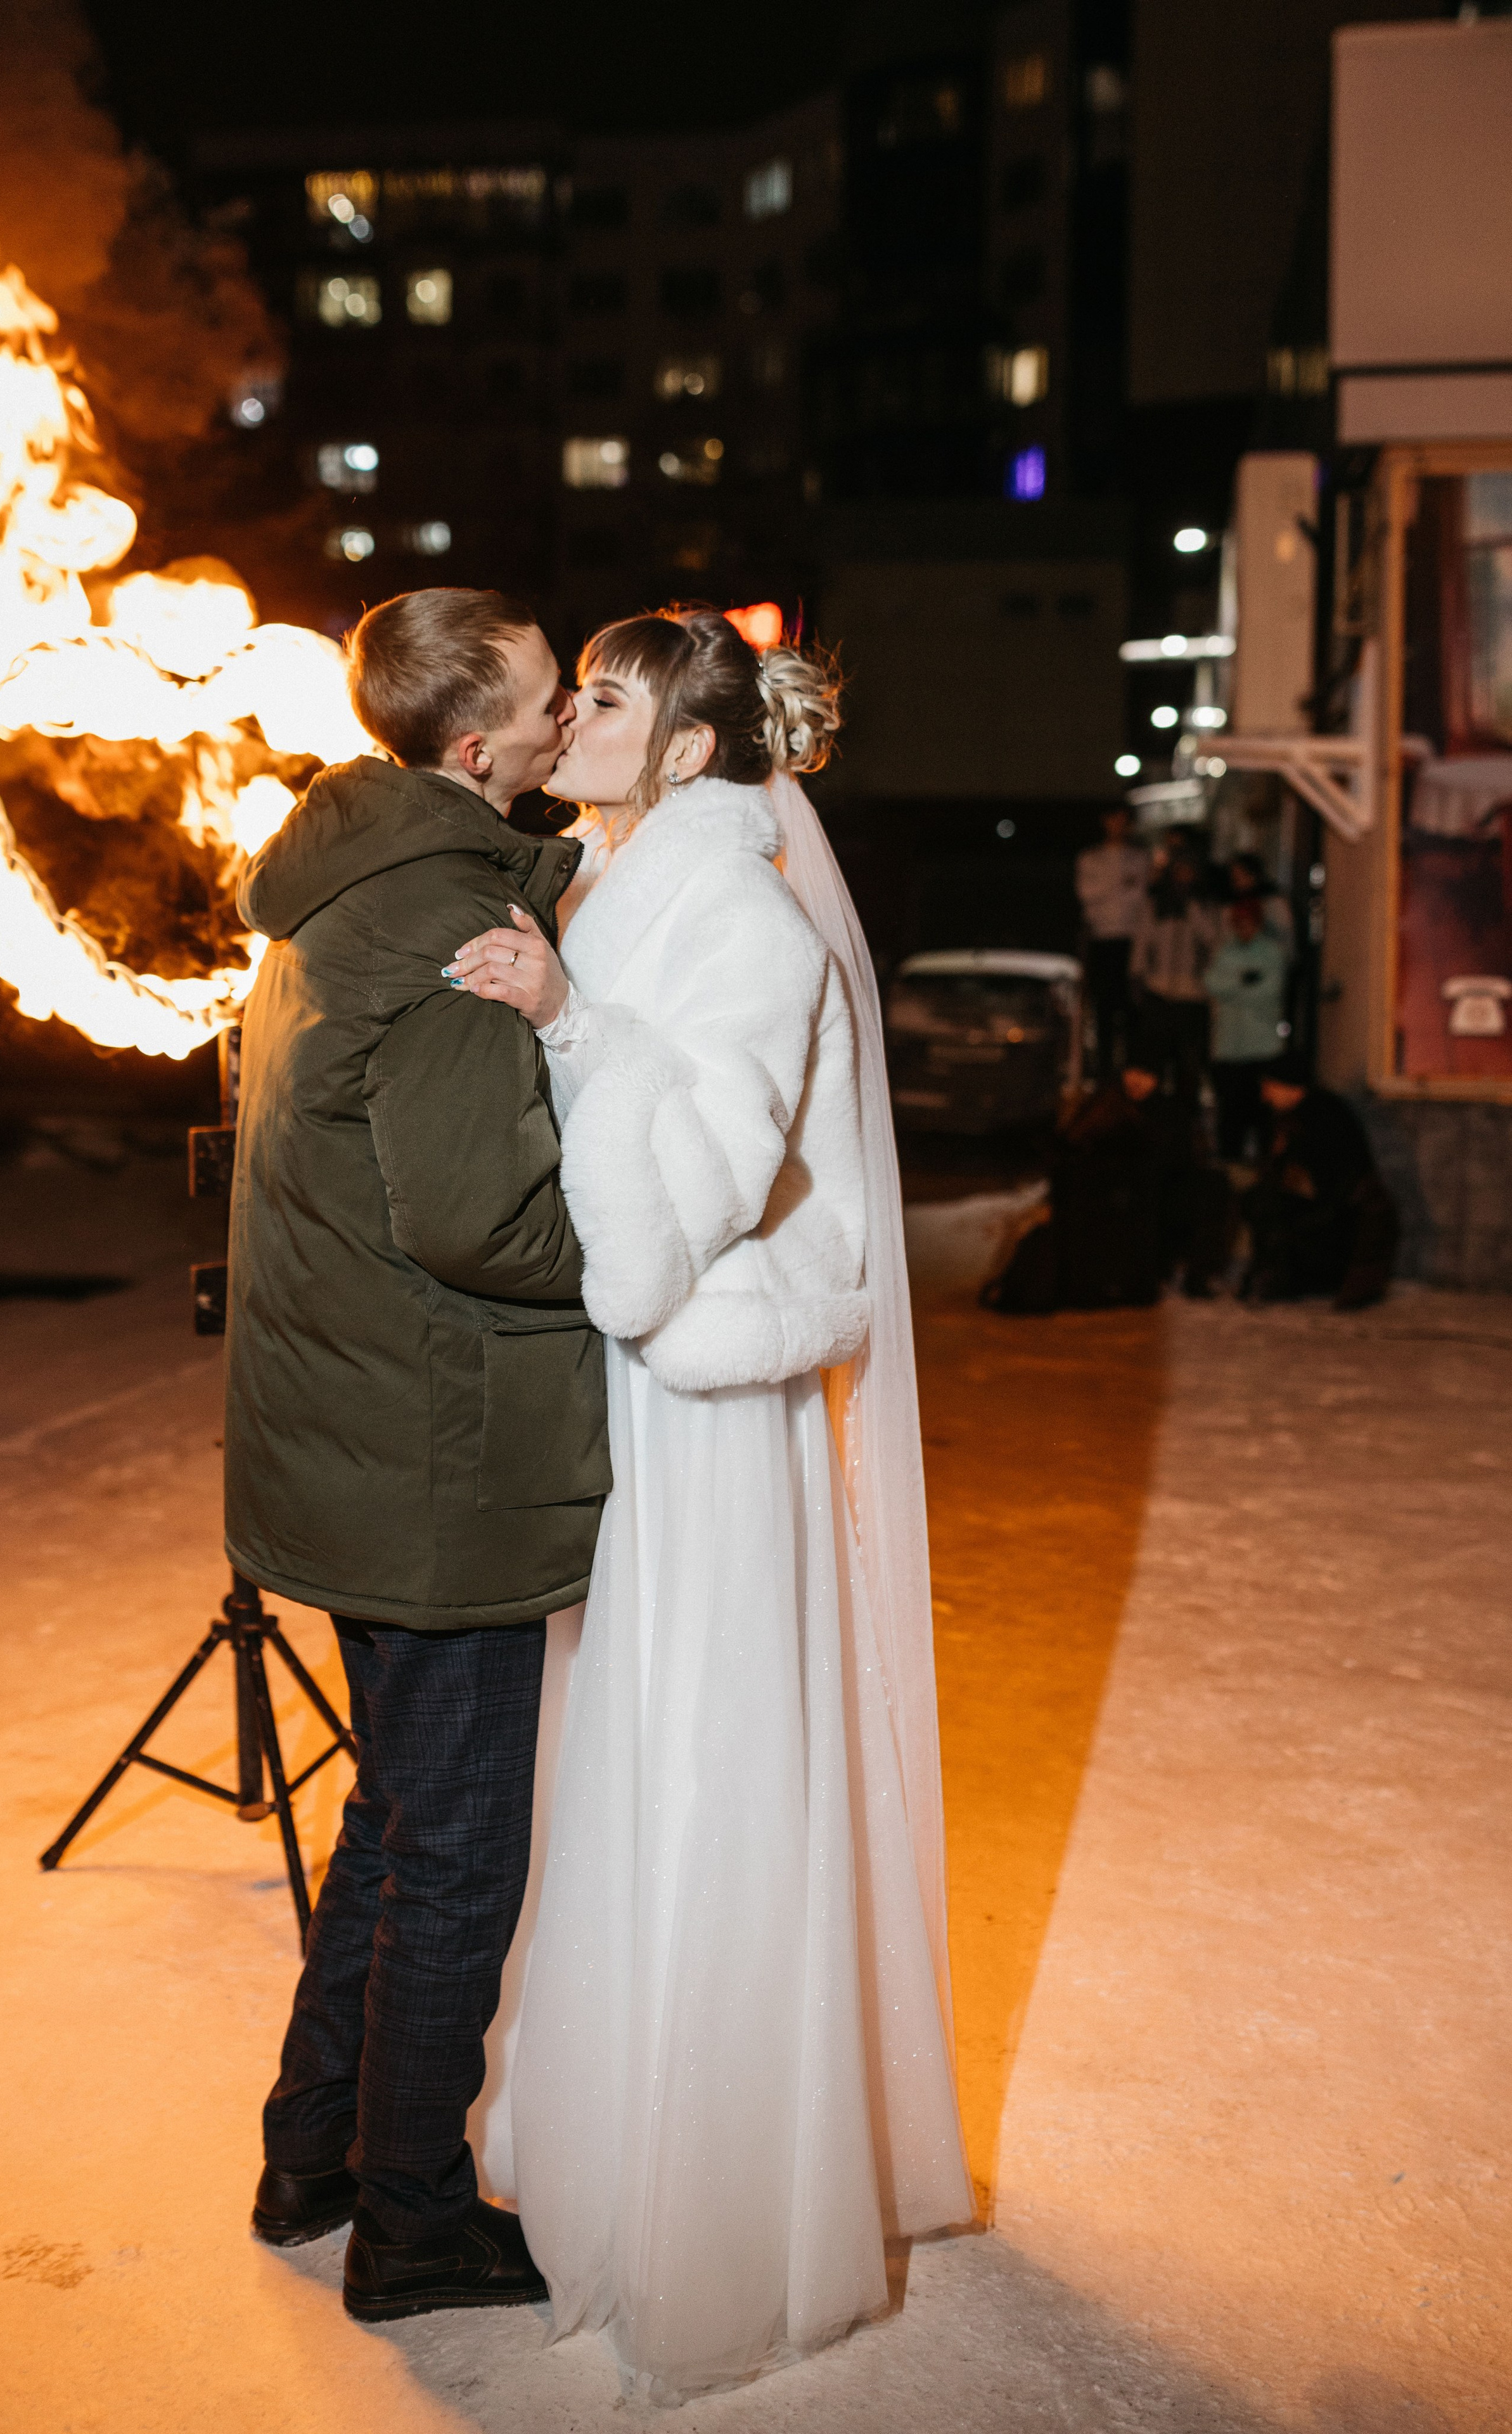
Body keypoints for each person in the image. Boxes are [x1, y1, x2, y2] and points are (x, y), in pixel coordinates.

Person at [446, 607, 970, 2400]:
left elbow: (708, 1185)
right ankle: (605, 2152)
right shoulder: (601, 880)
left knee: (703, 1765)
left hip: (696, 1402)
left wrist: (573, 1022)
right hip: (620, 1402)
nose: (572, 717)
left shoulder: (736, 913)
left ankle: (718, 2211)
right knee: (614, 1764)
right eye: (577, 690)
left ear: (684, 753)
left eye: (607, 698)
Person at [224, 588, 609, 2316]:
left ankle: (310, 2150)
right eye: (544, 704)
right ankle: (411, 2220)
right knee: (455, 1846)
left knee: (391, 1820)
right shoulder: (453, 915)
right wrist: (641, 1263)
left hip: (347, 1434)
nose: (563, 721)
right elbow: (475, 1221)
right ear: (474, 750)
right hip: (433, 1451)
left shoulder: (341, 890)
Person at [982, 1053, 1231, 1313]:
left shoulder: (1168, 1112)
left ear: (1157, 1080)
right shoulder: (1108, 1103)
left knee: (1210, 1189)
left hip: (1146, 1195)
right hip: (1107, 1200)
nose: (1137, 1081)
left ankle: (1194, 1276)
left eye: (1146, 1075)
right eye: (1132, 1072)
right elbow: (1073, 1149)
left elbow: (1177, 1161)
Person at [1243, 1052, 1400, 1310]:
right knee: (1261, 1203)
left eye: (1270, 1087)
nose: (1266, 1096)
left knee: (1270, 1208)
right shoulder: (1288, 1117)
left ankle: (1284, 1281)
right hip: (1318, 1209)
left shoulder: (1323, 1116)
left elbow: (1325, 1178)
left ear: (1291, 1088)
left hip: (1339, 1212)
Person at [1131, 834, 1220, 1104]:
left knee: (1188, 1069)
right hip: (1158, 994)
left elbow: (1213, 941)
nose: (1184, 876)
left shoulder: (1206, 906)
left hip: (1192, 998)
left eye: (1189, 871)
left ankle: (1185, 1121)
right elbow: (1142, 945)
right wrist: (1137, 978)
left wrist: (1192, 909)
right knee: (1154, 1066)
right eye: (1179, 870)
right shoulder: (1155, 905)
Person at [1203, 892, 1293, 1160]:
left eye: (1247, 923)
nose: (1243, 929)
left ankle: (1264, 1174)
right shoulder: (1225, 951)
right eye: (1238, 923)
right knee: (1230, 1119)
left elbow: (1271, 991)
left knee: (1262, 1118)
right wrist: (1246, 980)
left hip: (1262, 1050)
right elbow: (1211, 984)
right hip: (1228, 1051)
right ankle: (1231, 1170)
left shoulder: (1272, 952)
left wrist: (1232, 987)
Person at [1075, 804, 1150, 1073]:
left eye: (1123, 820)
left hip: (1131, 942)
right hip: (1102, 941)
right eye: (1113, 819)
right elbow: (1087, 894)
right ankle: (1104, 1075)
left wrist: (1117, 889)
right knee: (1104, 1010)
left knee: (1130, 1010)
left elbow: (1140, 897)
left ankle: (1130, 1073)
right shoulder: (1090, 858)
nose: (1117, 825)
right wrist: (1121, 885)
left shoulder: (1140, 858)